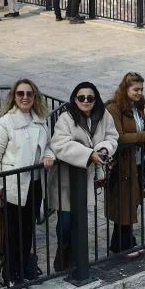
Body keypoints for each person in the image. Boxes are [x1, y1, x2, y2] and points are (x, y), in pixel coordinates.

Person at [0, 79, 54, 285]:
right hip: (14, 186)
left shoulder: (41, 120)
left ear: (35, 97)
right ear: (14, 97)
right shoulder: (4, 124)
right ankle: (11, 274)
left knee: (27, 230)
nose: (25, 97)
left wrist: (48, 156)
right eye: (20, 94)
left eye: (29, 94)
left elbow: (49, 145)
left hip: (35, 184)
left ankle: (24, 268)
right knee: (13, 232)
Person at [49, 82, 118, 271]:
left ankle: (77, 260)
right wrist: (89, 154)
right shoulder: (66, 118)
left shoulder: (104, 116)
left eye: (90, 98)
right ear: (75, 99)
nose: (86, 101)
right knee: (65, 223)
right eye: (81, 98)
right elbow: (60, 144)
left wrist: (104, 148)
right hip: (66, 180)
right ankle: (63, 256)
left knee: (80, 221)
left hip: (85, 179)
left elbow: (112, 136)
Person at [105, 72, 145, 251]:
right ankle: (123, 244)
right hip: (122, 164)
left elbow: (142, 126)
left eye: (141, 89)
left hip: (137, 162)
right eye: (136, 89)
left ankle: (122, 242)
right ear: (125, 88)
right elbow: (119, 137)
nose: (139, 93)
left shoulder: (138, 107)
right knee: (124, 205)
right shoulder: (114, 109)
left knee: (132, 203)